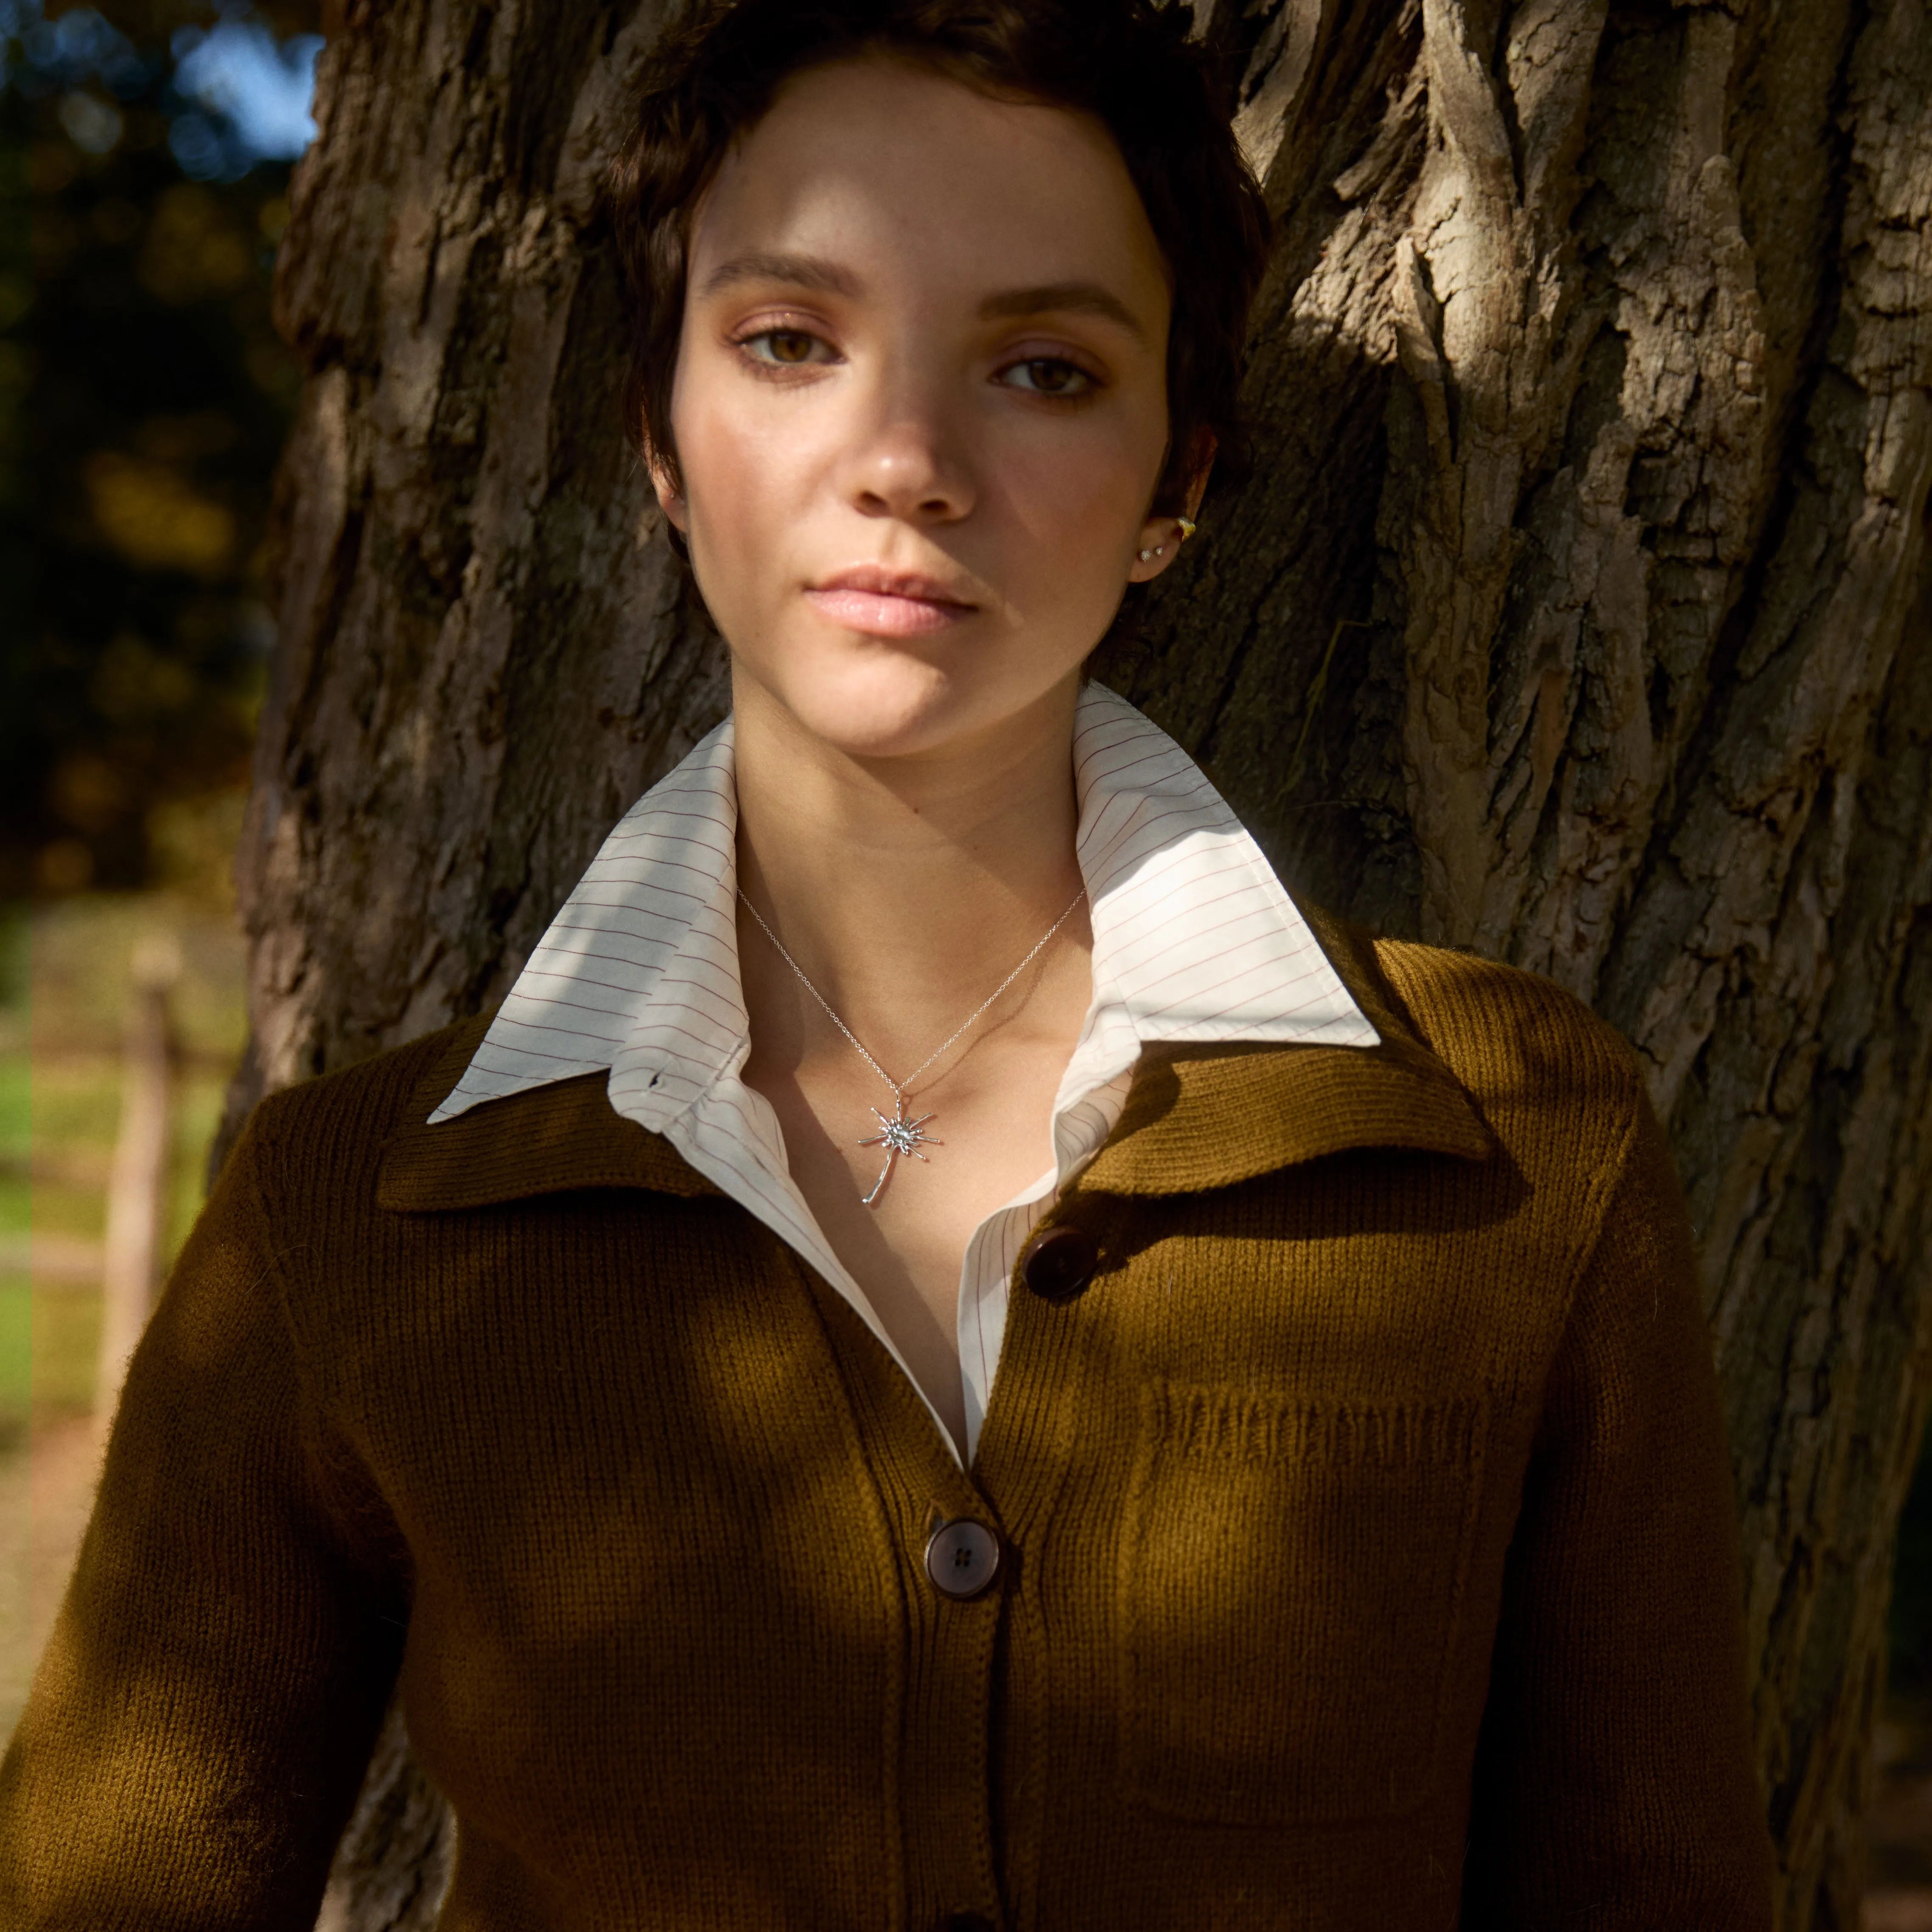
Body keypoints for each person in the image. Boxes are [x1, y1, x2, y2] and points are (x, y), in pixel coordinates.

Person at [1, 1, 1778, 1924]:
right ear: (658, 439)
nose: (908, 462)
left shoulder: (1513, 1142)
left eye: (1041, 369)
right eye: (789, 340)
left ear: (1174, 480)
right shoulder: (355, 1207)